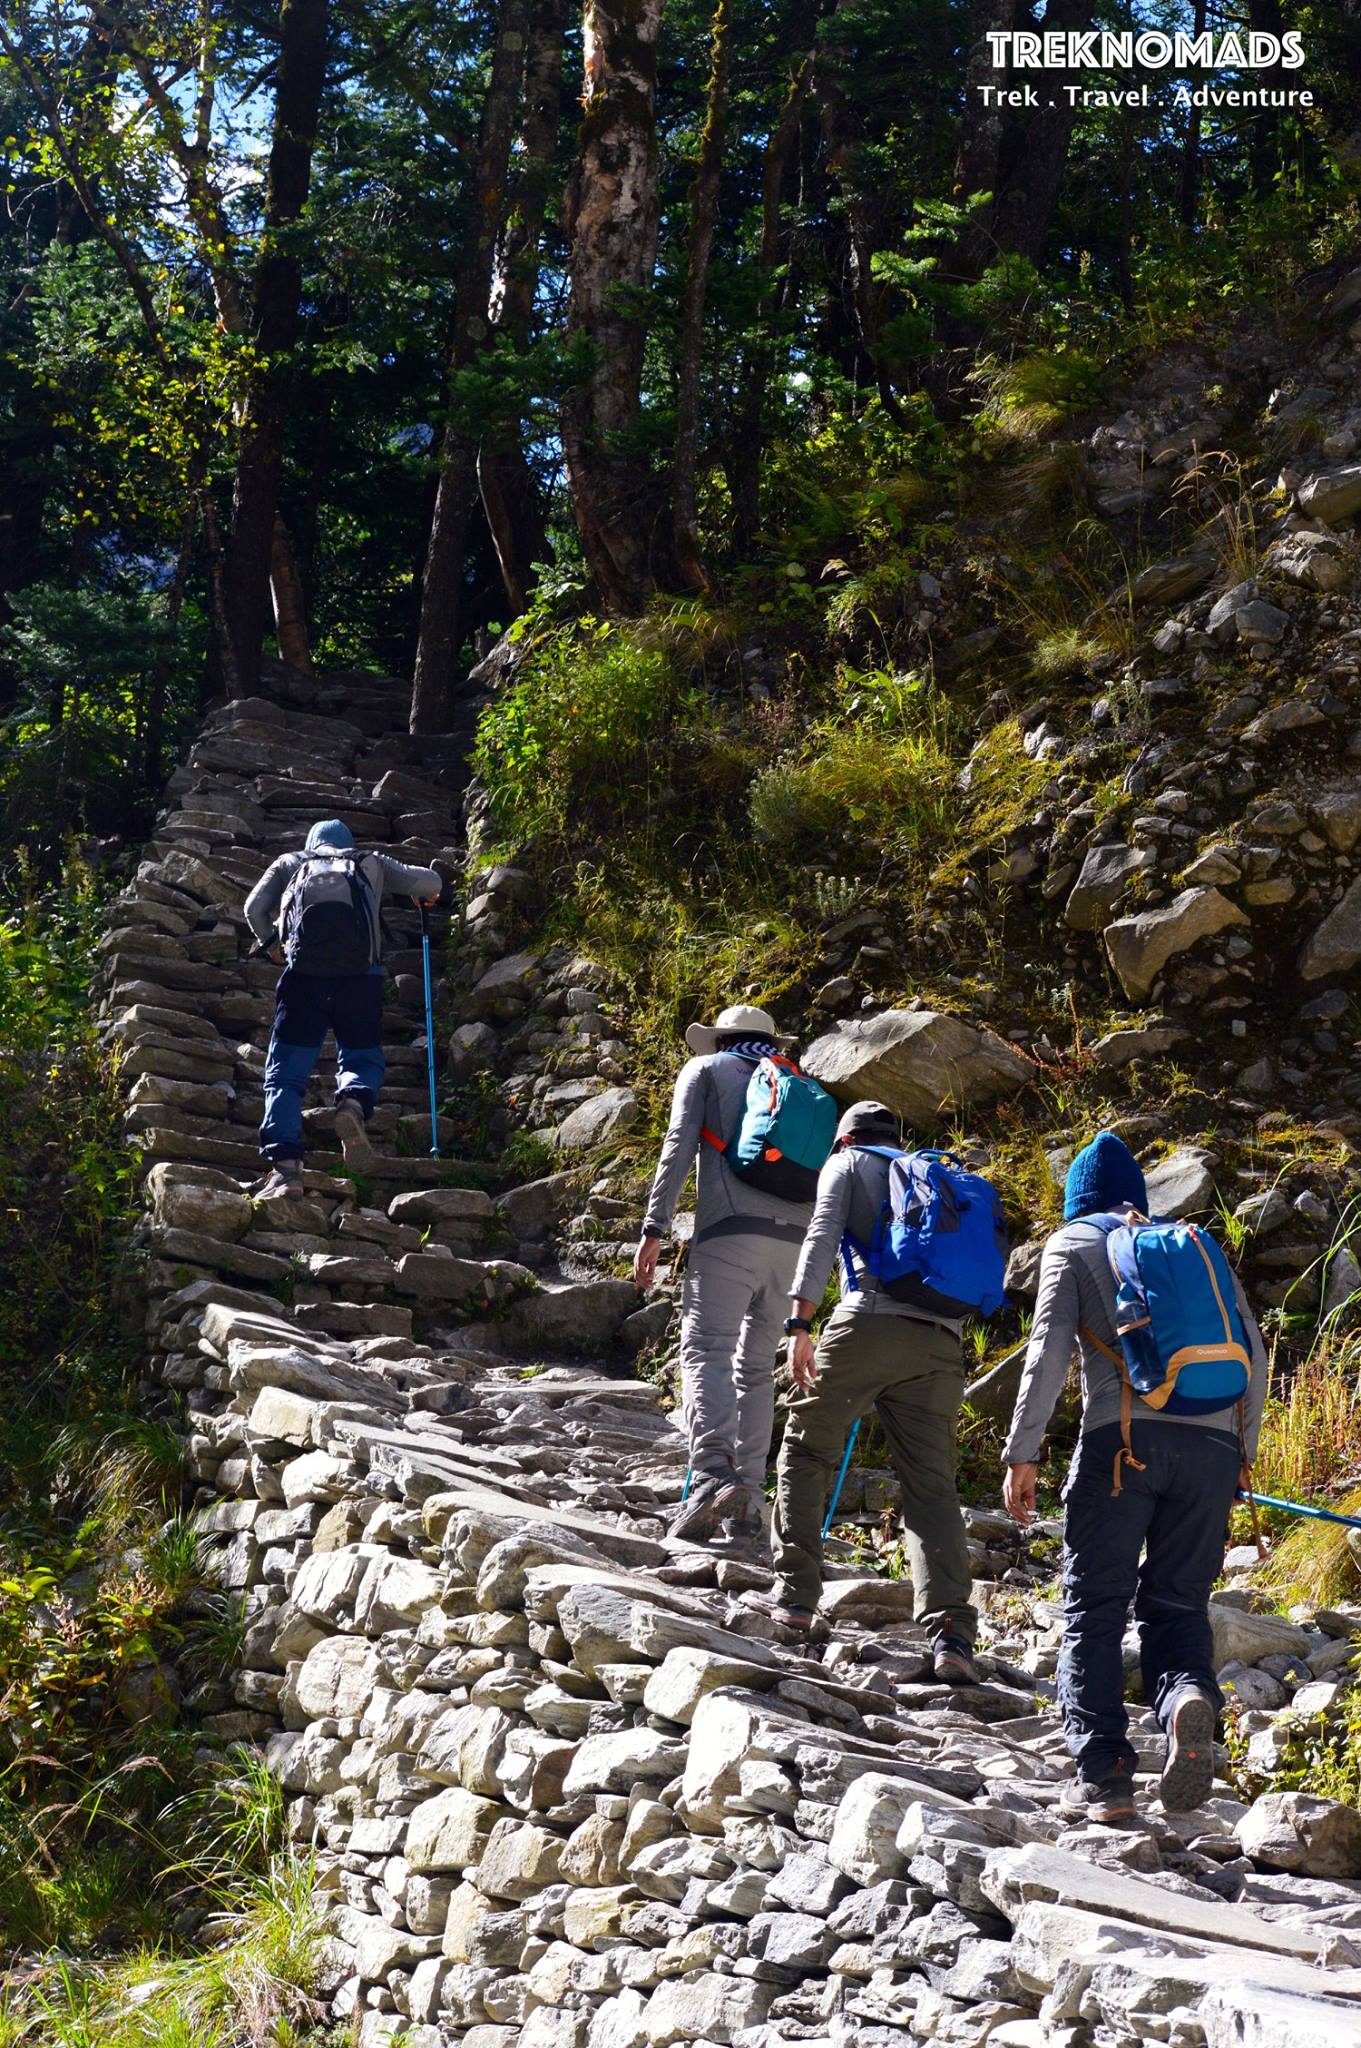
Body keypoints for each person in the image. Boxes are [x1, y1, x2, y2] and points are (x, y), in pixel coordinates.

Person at [1002, 1130, 1267, 1825]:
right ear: (1135, 1197)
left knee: (1093, 1605)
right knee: (1177, 1605)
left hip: (1120, 1444)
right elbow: (1254, 1350)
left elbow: (1046, 1357)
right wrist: (1241, 1452)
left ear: (1075, 1200)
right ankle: (1185, 1699)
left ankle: (1105, 1776)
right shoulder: (1191, 1246)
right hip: (1212, 1449)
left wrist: (1020, 1453)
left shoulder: (1071, 1245)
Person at [769, 1101, 980, 1682]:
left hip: (866, 1324)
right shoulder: (935, 1178)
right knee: (931, 1486)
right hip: (940, 1343)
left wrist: (799, 1325)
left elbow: (820, 1238)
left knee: (808, 1448)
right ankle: (953, 1637)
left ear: (845, 1139)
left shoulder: (847, 1164)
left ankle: (794, 1601)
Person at [635, 1004, 815, 1543]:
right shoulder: (796, 1082)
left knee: (707, 1350)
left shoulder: (706, 1071)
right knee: (757, 1368)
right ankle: (750, 1501)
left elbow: (677, 1147)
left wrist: (654, 1227)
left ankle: (712, 1476)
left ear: (719, 1039)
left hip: (730, 1233)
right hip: (795, 1245)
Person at [244, 820, 441, 1197]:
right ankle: (352, 1103)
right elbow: (432, 882)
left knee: (285, 1073)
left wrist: (272, 943)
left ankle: (286, 1168)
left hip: (304, 979)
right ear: (347, 843)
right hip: (360, 978)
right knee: (361, 1057)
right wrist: (419, 895)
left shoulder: (289, 862)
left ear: (312, 843)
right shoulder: (370, 861)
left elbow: (253, 907)